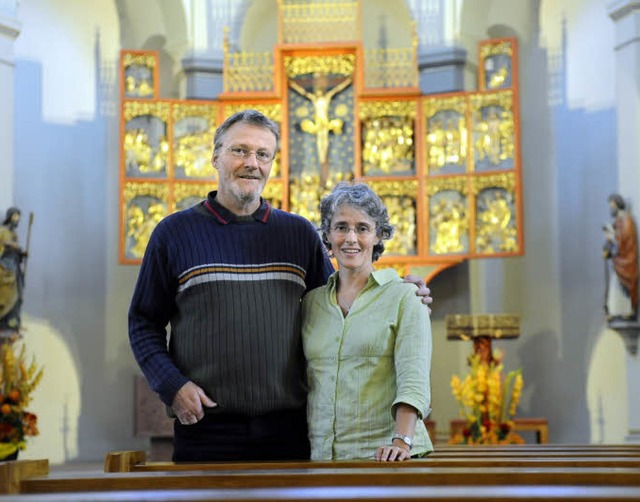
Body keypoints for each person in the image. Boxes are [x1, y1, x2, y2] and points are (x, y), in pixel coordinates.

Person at [128, 109, 432, 462]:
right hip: (206, 428)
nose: (251, 163)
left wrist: (402, 294)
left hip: (289, 429)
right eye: (239, 150)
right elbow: (143, 323)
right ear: (215, 156)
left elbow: (339, 303)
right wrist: (172, 386)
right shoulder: (174, 234)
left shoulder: (297, 234)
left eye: (262, 154)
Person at [302, 182, 433, 462]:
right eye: (341, 227)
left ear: (378, 236)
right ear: (327, 235)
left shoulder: (405, 296)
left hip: (386, 457)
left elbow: (414, 378)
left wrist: (401, 442)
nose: (351, 238)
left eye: (362, 228)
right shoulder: (311, 303)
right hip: (323, 457)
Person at [603, 193, 638, 321]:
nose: (611, 209)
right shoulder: (619, 221)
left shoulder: (627, 221)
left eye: (612, 206)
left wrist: (611, 237)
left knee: (622, 287)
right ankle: (615, 311)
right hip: (618, 261)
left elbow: (623, 241)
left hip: (626, 261)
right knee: (615, 286)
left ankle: (628, 310)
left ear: (618, 205)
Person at [0, 207, 28, 337]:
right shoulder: (2, 231)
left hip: (14, 268)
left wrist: (21, 254)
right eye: (15, 217)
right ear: (10, 217)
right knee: (7, 297)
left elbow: (15, 251)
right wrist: (11, 245)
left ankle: (13, 323)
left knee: (19, 295)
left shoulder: (14, 234)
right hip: (4, 270)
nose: (17, 220)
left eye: (18, 217)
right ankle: (4, 323)